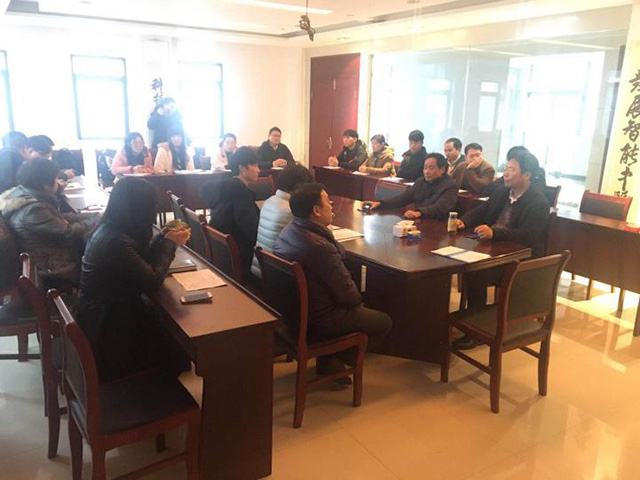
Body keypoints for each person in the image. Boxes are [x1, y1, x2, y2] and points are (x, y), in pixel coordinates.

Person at [75, 177, 191, 382]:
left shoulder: (111, 228)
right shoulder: (116, 242)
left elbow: (139, 262)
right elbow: (152, 281)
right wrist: (170, 244)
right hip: (109, 330)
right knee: (178, 352)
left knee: (175, 346)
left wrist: (163, 237)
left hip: (101, 315)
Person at [274, 183, 392, 380]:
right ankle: (333, 358)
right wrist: (360, 301)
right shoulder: (320, 247)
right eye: (328, 202)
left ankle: (330, 359)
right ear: (316, 210)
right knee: (383, 321)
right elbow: (350, 298)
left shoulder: (289, 231)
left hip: (293, 314)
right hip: (322, 320)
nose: (332, 206)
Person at [454, 150, 550, 349]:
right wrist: (464, 221)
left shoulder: (538, 203)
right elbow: (482, 210)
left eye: (511, 170)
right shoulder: (502, 192)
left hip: (518, 261)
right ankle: (472, 316)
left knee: (476, 271)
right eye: (506, 168)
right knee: (464, 260)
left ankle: (476, 329)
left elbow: (528, 236)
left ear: (527, 175)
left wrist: (495, 233)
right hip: (494, 250)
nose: (505, 173)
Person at [0, 158, 98, 287]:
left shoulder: (21, 194)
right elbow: (68, 232)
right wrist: (97, 220)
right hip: (51, 267)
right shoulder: (33, 209)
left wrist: (93, 215)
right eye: (56, 179)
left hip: (45, 255)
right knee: (101, 257)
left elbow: (59, 218)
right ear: (45, 185)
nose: (58, 182)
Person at [203, 147, 260, 280]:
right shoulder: (241, 193)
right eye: (254, 165)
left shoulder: (225, 186)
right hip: (238, 256)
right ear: (242, 168)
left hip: (221, 252)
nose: (258, 170)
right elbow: (251, 230)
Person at [250, 164, 313, 278]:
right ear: (300, 187)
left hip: (260, 267)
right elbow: (311, 242)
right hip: (275, 275)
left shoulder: (269, 201)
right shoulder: (290, 211)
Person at [365, 153, 458, 221]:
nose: (426, 171)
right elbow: (403, 198)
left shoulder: (450, 186)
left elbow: (440, 208)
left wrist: (419, 213)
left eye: (431, 168)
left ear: (442, 169)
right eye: (425, 167)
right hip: (418, 222)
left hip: (437, 227)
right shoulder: (420, 182)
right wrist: (380, 203)